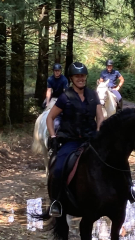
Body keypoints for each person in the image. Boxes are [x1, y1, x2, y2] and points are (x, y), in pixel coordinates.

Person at [46, 62, 104, 217]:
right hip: (71, 140)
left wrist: (99, 131)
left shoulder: (93, 95)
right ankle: (56, 202)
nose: (81, 78)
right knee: (58, 169)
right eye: (77, 76)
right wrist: (53, 136)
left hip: (91, 139)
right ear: (71, 78)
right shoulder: (65, 97)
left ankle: (129, 190)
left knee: (113, 158)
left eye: (83, 75)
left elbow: (100, 117)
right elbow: (50, 118)